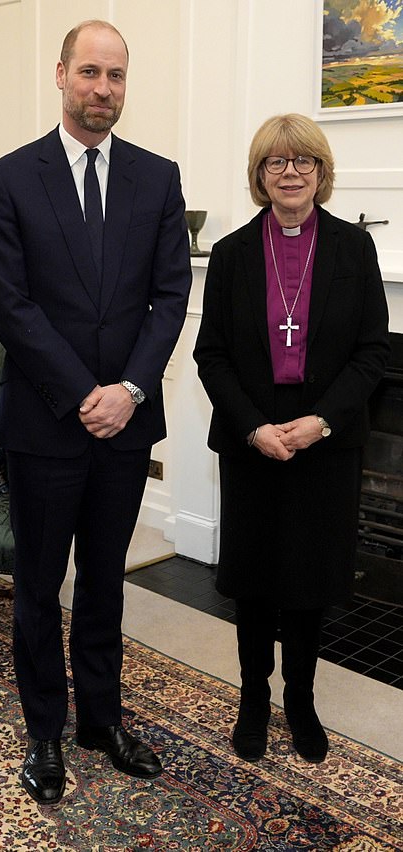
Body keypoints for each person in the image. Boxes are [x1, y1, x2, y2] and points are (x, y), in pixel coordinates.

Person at [0, 19, 191, 805]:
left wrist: (127, 391)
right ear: (61, 73)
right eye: (91, 72)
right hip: (43, 423)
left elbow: (170, 298)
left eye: (118, 77)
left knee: (105, 580)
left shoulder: (158, 177)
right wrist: (82, 395)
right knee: (39, 586)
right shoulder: (6, 178)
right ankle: (44, 730)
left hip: (126, 425)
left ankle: (101, 718)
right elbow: (10, 303)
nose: (104, 88)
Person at [193, 114, 389, 764]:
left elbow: (370, 354)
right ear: (259, 176)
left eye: (303, 161)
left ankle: (301, 702)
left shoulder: (353, 251)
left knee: (309, 580)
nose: (291, 172)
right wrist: (253, 426)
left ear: (322, 172)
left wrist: (322, 420)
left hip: (324, 438)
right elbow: (211, 354)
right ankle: (254, 698)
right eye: (276, 162)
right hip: (254, 436)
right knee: (255, 580)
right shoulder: (230, 255)